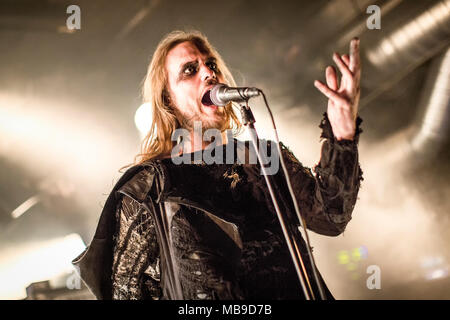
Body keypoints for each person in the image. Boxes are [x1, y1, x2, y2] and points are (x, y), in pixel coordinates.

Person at [72, 30, 363, 300]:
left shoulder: (262, 158)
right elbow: (125, 292)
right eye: (190, 70)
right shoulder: (150, 187)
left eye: (211, 64)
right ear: (167, 99)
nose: (209, 73)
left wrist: (343, 135)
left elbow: (330, 216)